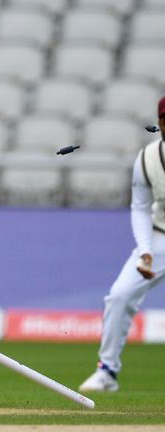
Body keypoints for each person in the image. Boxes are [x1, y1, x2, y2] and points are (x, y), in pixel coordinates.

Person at [78, 96, 165, 393]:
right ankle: (107, 372)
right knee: (119, 295)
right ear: (160, 122)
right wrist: (144, 251)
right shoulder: (147, 159)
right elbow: (141, 208)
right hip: (159, 236)